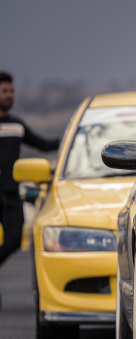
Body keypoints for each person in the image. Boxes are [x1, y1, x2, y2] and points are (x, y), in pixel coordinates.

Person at [0, 71, 60, 307]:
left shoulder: (16, 126)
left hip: (10, 195)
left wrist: (68, 139)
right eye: (4, 91)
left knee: (14, 239)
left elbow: (42, 144)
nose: (9, 95)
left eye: (11, 91)